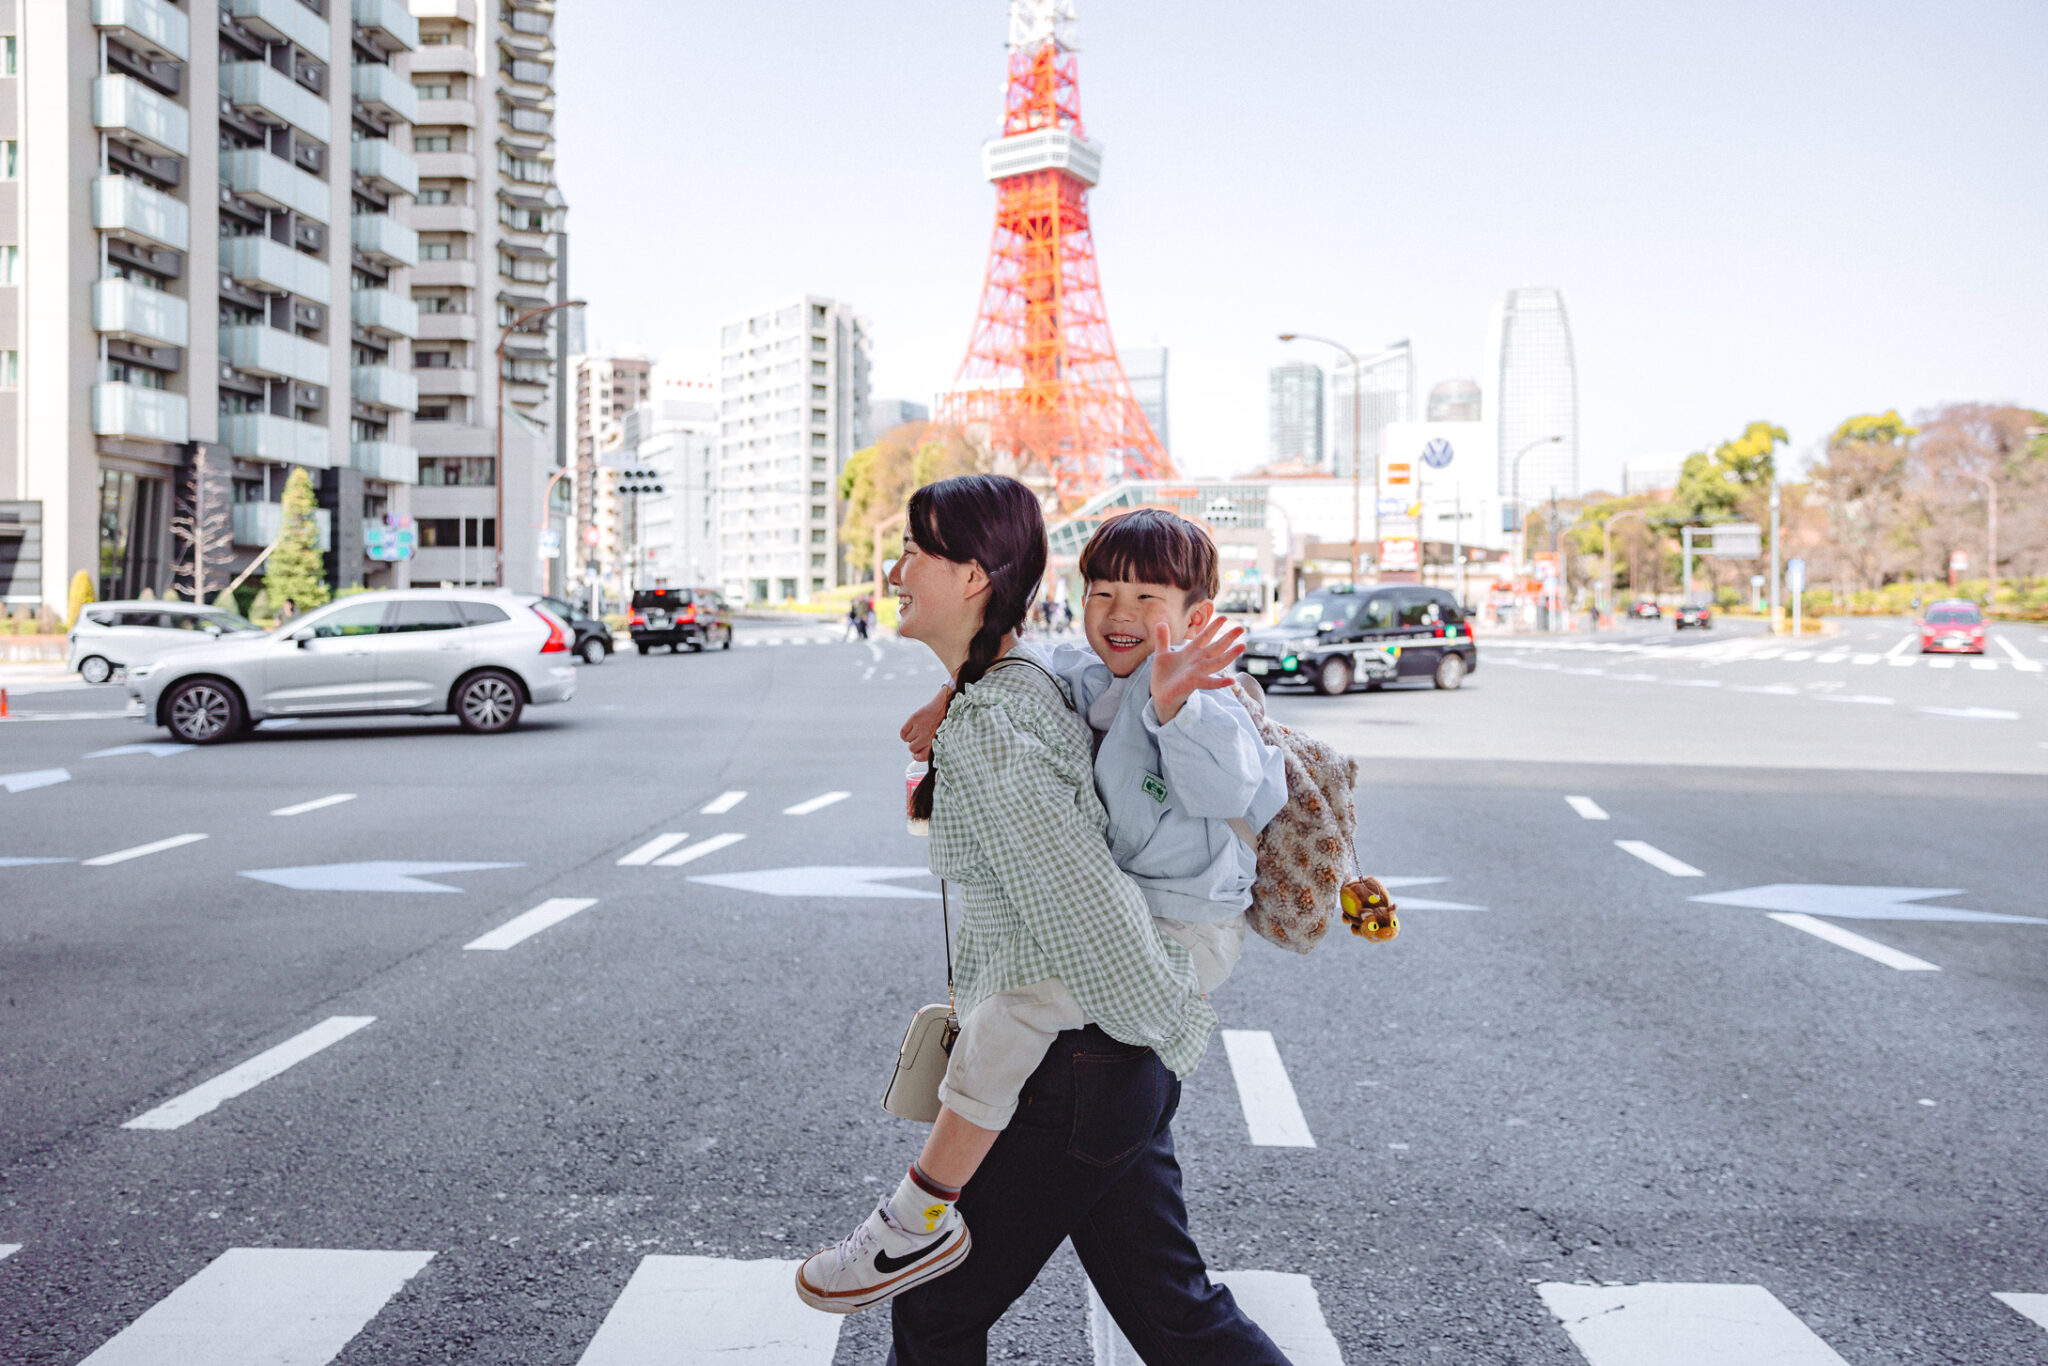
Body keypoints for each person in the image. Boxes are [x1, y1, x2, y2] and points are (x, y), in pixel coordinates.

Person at [794, 474, 1289, 1364]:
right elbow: (1043, 666)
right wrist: (955, 698)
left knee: (937, 1308)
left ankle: (912, 1215)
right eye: (1103, 593)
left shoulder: (1164, 701)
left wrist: (1170, 1017)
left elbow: (1095, 915)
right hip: (1108, 1065)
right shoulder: (1053, 684)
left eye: (915, 550)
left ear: (977, 574)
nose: (895, 569)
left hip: (1090, 1057)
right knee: (1175, 1313)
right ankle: (915, 1218)